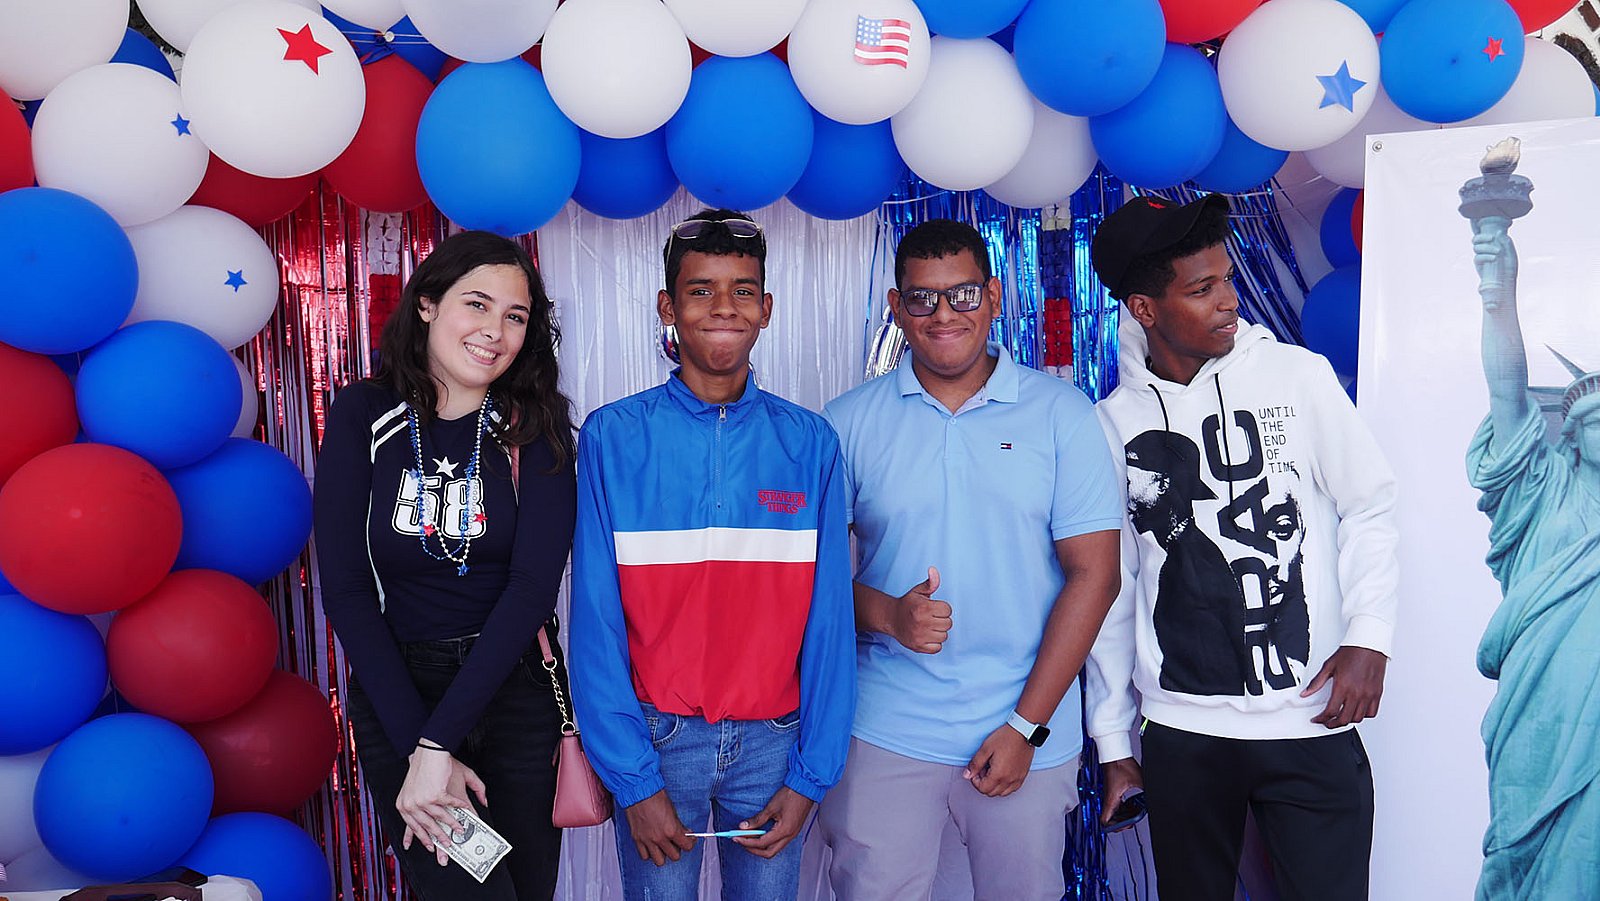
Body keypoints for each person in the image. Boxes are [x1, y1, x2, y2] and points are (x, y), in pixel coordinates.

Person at [1087, 195, 1400, 901]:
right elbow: (1114, 585)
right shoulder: (1113, 424)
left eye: (1226, 278)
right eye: (1202, 289)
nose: (1229, 300)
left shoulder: (1297, 376)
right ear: (1144, 308)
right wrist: (1112, 739)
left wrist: (1370, 636)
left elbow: (1369, 503)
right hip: (1183, 731)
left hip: (1310, 717)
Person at [817, 218, 1123, 900]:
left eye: (961, 294)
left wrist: (1025, 727)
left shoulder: (1062, 414)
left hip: (1026, 723)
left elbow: (1096, 575)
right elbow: (811, 578)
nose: (943, 314)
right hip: (886, 725)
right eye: (922, 298)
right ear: (896, 307)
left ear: (992, 295)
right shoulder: (846, 421)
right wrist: (890, 615)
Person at [568, 209, 855, 900]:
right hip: (658, 744)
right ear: (668, 307)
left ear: (767, 308)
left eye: (742, 290)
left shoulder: (810, 442)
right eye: (700, 290)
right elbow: (595, 619)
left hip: (776, 744)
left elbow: (830, 621)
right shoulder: (611, 436)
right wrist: (633, 781)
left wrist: (811, 775)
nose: (724, 307)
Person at [313, 230, 576, 899]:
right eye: (477, 304)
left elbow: (531, 589)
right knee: (471, 893)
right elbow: (346, 589)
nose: (495, 331)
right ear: (428, 304)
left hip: (514, 695)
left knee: (523, 892)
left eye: (515, 316)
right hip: (402, 691)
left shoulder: (536, 424)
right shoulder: (364, 413)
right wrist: (422, 747)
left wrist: (438, 747)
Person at [1468, 214, 1600, 899]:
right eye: (1595, 420)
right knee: (1529, 853)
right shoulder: (1540, 489)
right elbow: (1507, 389)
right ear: (1570, 435)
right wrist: (1500, 294)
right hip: (1542, 702)